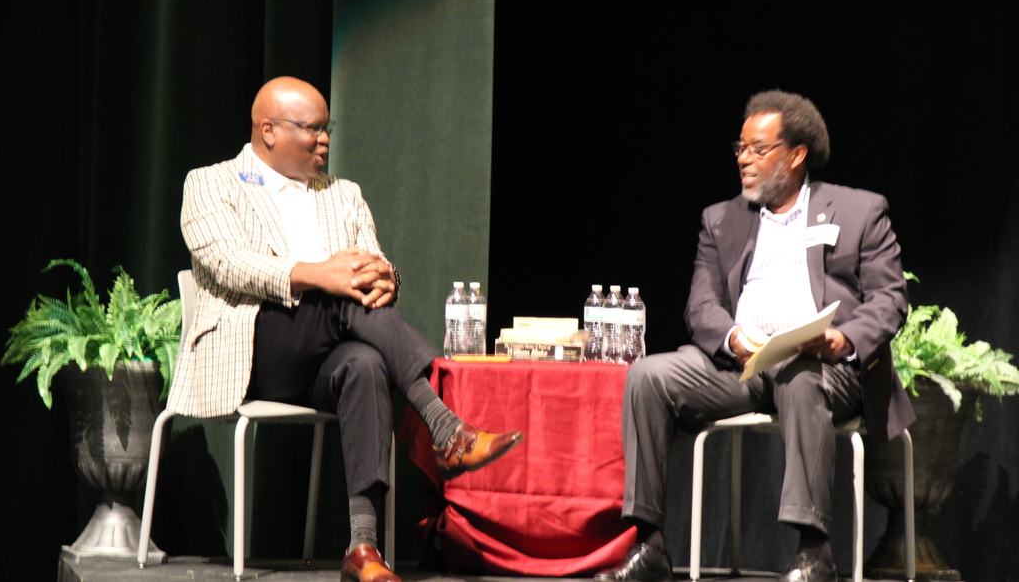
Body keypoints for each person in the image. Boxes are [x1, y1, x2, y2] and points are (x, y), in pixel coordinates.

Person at [171, 76, 523, 582]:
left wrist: (387, 278)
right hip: (254, 349)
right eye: (311, 129)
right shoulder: (212, 183)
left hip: (328, 354)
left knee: (366, 362)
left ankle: (363, 548)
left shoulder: (343, 193)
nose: (324, 141)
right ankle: (445, 426)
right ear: (268, 130)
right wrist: (320, 274)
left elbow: (373, 264)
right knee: (340, 296)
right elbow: (228, 263)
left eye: (327, 129)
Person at [595, 90, 915, 582]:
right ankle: (650, 545)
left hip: (825, 367)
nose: (744, 158)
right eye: (740, 148)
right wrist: (734, 339)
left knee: (800, 376)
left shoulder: (859, 211)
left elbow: (890, 299)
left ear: (797, 154)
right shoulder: (721, 220)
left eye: (758, 149)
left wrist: (842, 340)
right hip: (742, 365)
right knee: (647, 376)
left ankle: (815, 554)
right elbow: (700, 306)